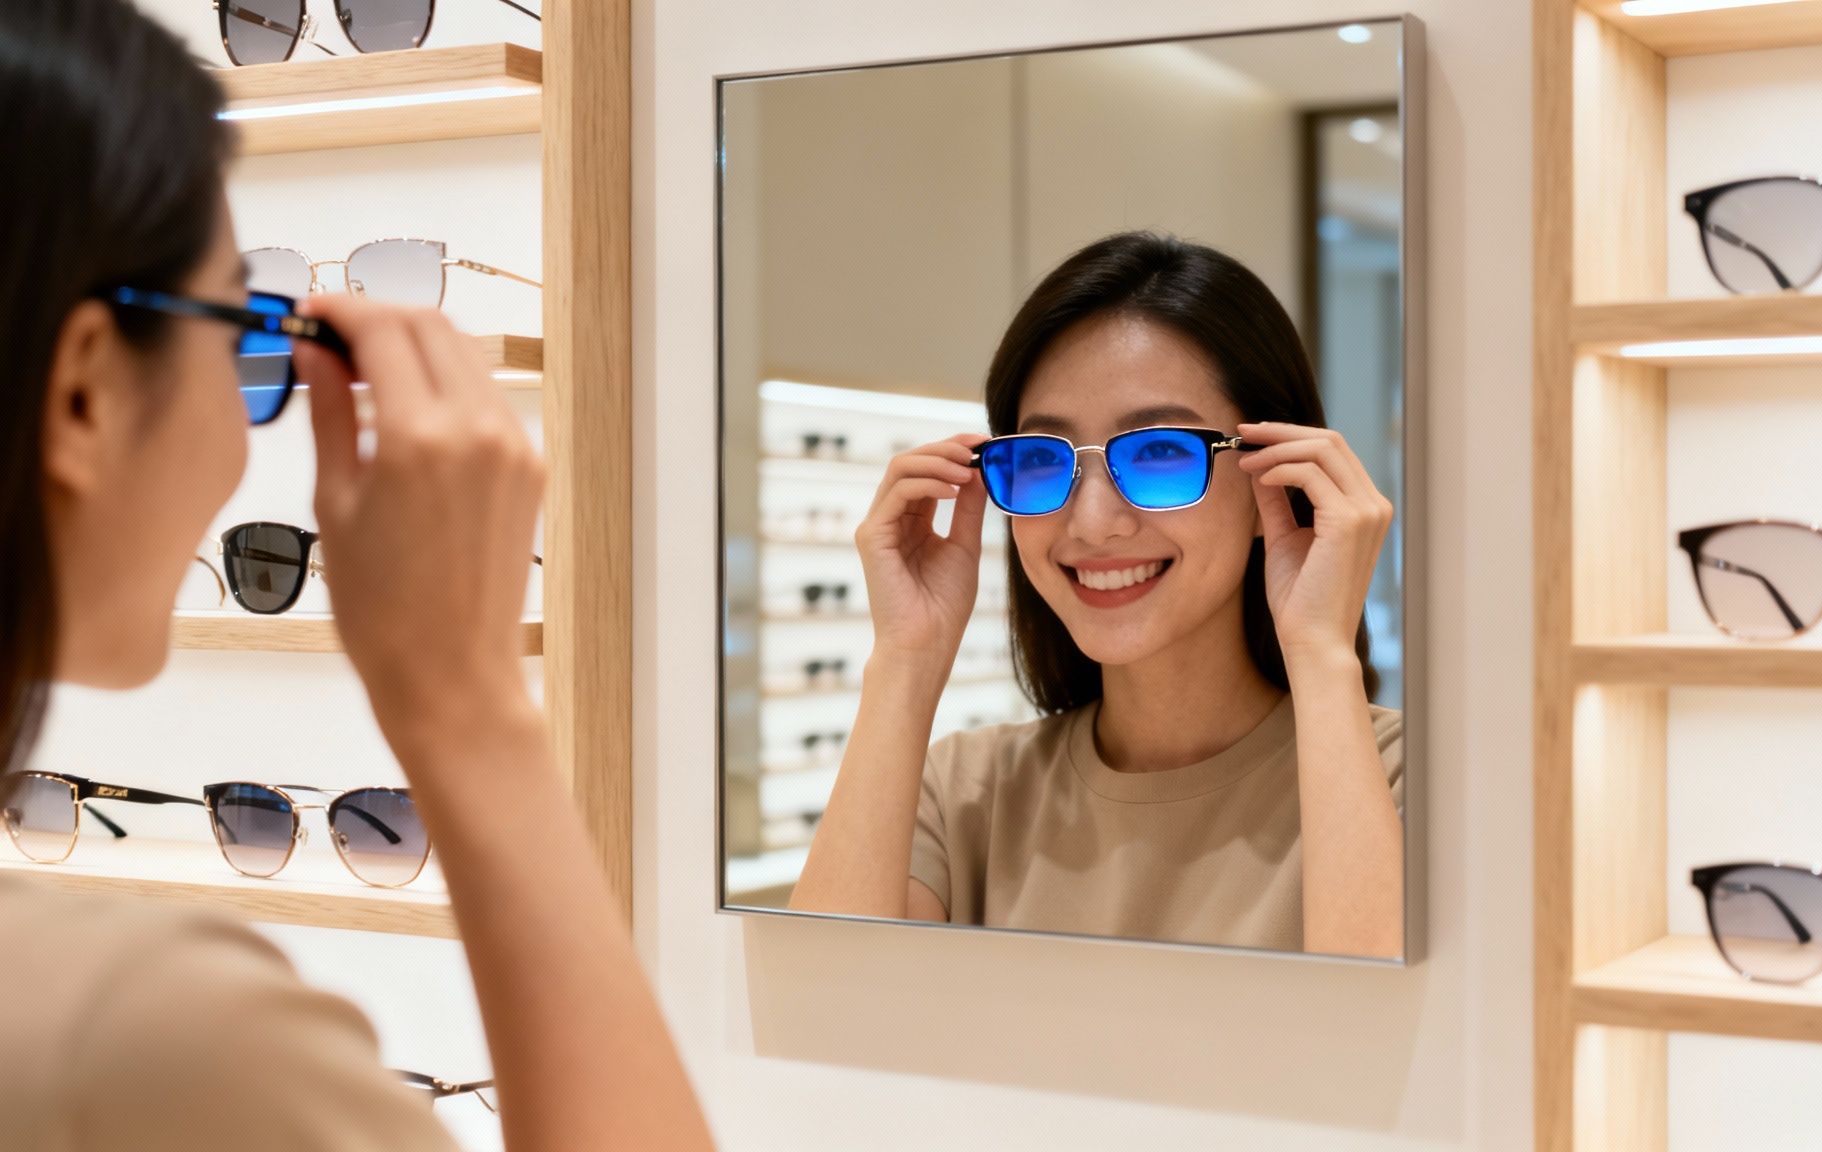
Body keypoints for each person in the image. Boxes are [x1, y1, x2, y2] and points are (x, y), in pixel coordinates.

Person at [0, 2, 712, 1148]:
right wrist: (466, 707)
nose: (246, 436)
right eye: (242, 335)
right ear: (86, 391)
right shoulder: (142, 1037)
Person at [789, 232, 1404, 957]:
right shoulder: (965, 794)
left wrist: (1321, 652)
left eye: (1159, 453)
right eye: (1045, 460)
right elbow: (825, 1012)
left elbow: (1384, 1043)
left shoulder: (1402, 778)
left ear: (1274, 474)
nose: (1091, 522)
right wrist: (904, 658)